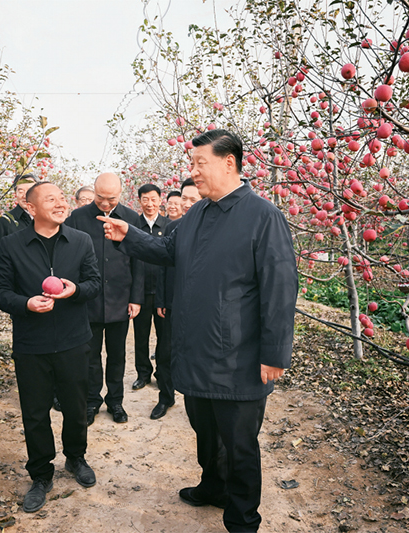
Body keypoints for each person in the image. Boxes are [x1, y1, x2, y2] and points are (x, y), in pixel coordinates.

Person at [97, 129, 298, 532]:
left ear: (229, 162)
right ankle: (213, 486)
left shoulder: (262, 216)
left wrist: (274, 353)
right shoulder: (197, 215)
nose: (193, 172)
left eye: (199, 163)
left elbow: (280, 289)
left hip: (238, 356)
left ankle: (242, 519)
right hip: (197, 350)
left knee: (239, 444)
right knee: (204, 430)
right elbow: (169, 251)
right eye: (192, 164)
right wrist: (130, 236)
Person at [0, 181, 102, 513]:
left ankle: (76, 457)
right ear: (31, 207)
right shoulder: (11, 245)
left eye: (62, 198)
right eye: (50, 199)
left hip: (73, 340)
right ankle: (40, 474)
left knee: (76, 406)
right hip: (32, 343)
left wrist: (74, 290)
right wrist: (26, 303)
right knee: (35, 413)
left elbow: (94, 283)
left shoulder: (80, 241)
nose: (60, 203)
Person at [65, 173, 144, 425]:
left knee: (117, 355)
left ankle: (115, 401)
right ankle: (92, 401)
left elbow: (139, 262)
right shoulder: (77, 218)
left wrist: (136, 298)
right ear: (94, 191)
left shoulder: (131, 218)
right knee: (90, 356)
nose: (106, 203)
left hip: (120, 299)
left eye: (111, 198)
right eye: (100, 197)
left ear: (121, 194)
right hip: (88, 300)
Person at [150, 179, 201, 419]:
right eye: (185, 198)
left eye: (193, 199)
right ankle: (166, 397)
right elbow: (163, 267)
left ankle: (199, 400)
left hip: (200, 306)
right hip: (171, 303)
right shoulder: (173, 228)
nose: (187, 204)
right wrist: (161, 300)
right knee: (165, 353)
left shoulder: (217, 229)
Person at [131, 184, 169, 395]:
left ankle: (162, 374)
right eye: (145, 199)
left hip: (163, 292)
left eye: (153, 199)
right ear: (139, 201)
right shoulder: (133, 226)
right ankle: (143, 373)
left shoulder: (168, 225)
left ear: (160, 200)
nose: (150, 204)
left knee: (164, 337)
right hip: (141, 292)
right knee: (141, 335)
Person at [0, 174, 40, 253]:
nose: (25, 196)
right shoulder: (6, 222)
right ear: (15, 193)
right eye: (21, 191)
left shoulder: (49, 218)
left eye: (29, 190)